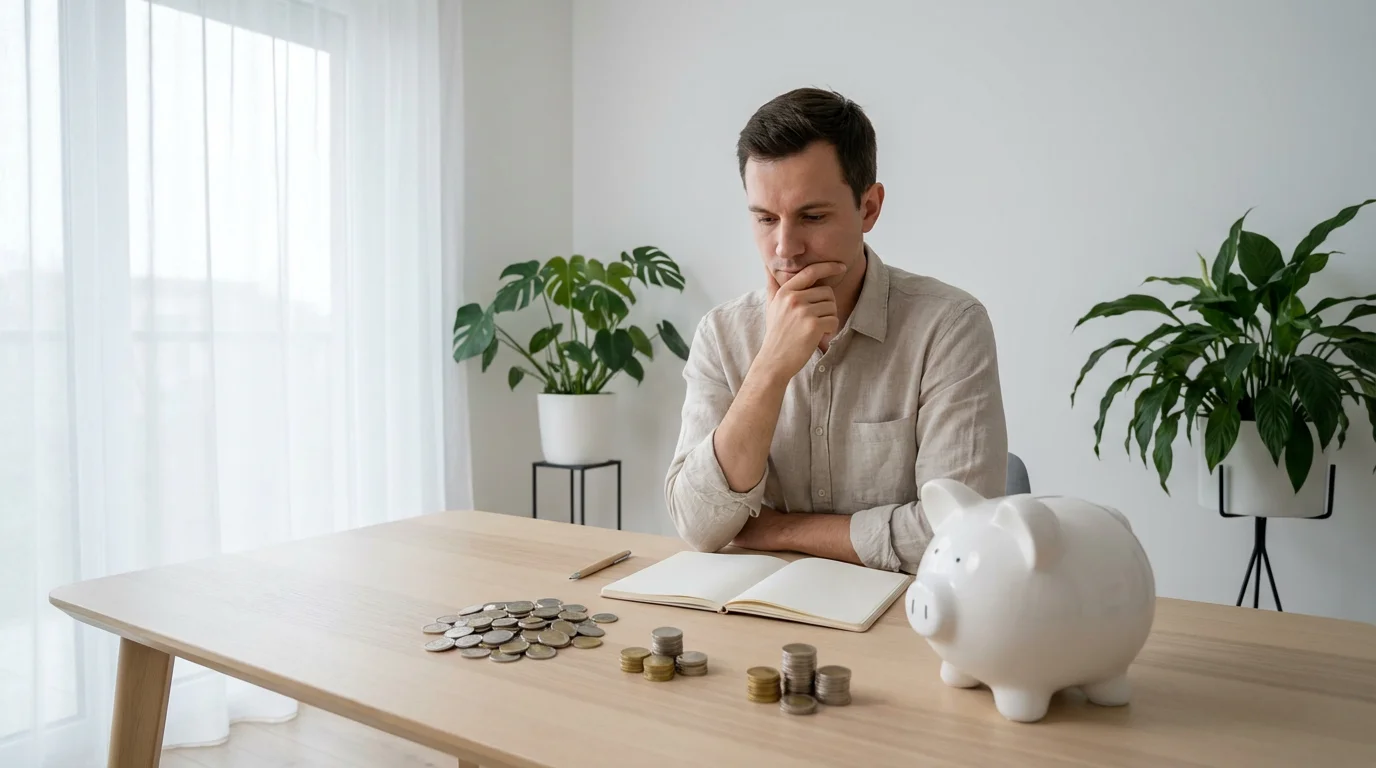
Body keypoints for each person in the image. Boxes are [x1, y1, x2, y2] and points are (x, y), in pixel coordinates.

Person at [663, 87, 1008, 575]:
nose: (785, 248)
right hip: (761, 620)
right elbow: (698, 525)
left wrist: (779, 530)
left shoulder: (948, 327)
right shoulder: (722, 335)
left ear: (869, 208)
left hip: (907, 622)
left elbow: (959, 535)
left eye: (812, 216)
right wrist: (771, 368)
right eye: (765, 218)